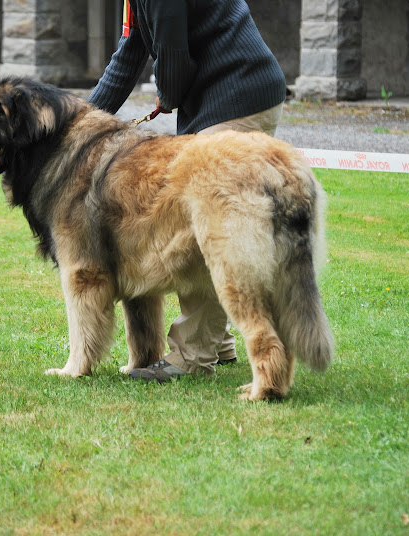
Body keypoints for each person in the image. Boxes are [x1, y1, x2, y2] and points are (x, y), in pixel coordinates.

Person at [87, 0, 286, 382]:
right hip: (219, 95)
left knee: (208, 232)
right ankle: (218, 343)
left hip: (238, 92)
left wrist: (168, 90)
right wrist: (78, 123)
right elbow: (129, 52)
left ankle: (191, 356)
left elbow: (174, 60)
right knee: (204, 227)